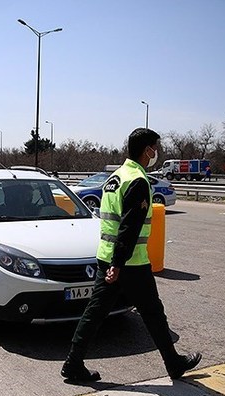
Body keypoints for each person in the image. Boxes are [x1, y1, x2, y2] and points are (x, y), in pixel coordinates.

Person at [61, 128, 202, 382]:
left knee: (94, 312)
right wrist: (118, 263)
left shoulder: (115, 178)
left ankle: (73, 363)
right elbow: (129, 226)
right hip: (130, 263)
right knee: (153, 313)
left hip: (106, 257)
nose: (156, 152)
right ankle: (174, 363)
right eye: (155, 147)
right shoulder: (137, 180)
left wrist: (112, 262)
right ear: (146, 149)